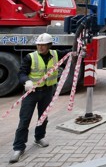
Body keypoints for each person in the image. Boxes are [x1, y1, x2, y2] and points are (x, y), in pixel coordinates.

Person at [9, 33, 60, 163]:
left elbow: (70, 52)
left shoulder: (55, 54)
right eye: (38, 45)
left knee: (43, 117)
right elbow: (21, 72)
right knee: (24, 120)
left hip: (47, 91)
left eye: (43, 45)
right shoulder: (30, 57)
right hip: (31, 93)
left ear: (49, 45)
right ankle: (18, 147)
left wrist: (78, 52)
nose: (40, 47)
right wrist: (26, 81)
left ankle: (39, 137)